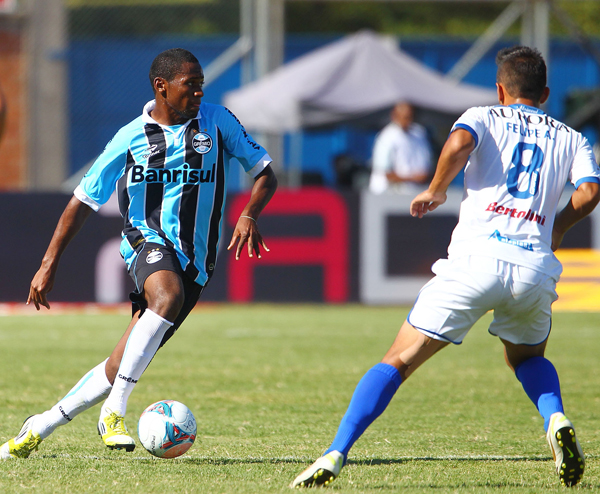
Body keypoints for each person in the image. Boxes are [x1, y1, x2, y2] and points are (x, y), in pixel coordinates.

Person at [292, 46, 600, 488]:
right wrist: (558, 227)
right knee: (527, 358)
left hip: (477, 260)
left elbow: (458, 143)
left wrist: (437, 189)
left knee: (397, 360)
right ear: (546, 92)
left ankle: (335, 452)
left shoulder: (483, 115)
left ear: (500, 90)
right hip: (533, 265)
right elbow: (590, 192)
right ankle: (556, 420)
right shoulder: (572, 137)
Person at [1, 48, 277, 459]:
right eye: (191, 85)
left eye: (202, 85)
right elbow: (81, 201)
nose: (199, 93)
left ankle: (42, 424)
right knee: (166, 296)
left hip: (196, 263)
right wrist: (47, 265)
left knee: (121, 363)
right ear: (161, 87)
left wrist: (249, 214)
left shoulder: (218, 122)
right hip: (145, 242)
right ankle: (114, 412)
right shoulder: (131, 136)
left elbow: (265, 173)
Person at [368, 101, 432, 194]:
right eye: (403, 117)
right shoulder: (386, 136)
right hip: (386, 194)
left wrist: (421, 177)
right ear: (394, 116)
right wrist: (413, 178)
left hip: (413, 192)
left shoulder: (419, 133)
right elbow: (386, 173)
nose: (407, 120)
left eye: (410, 117)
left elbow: (425, 168)